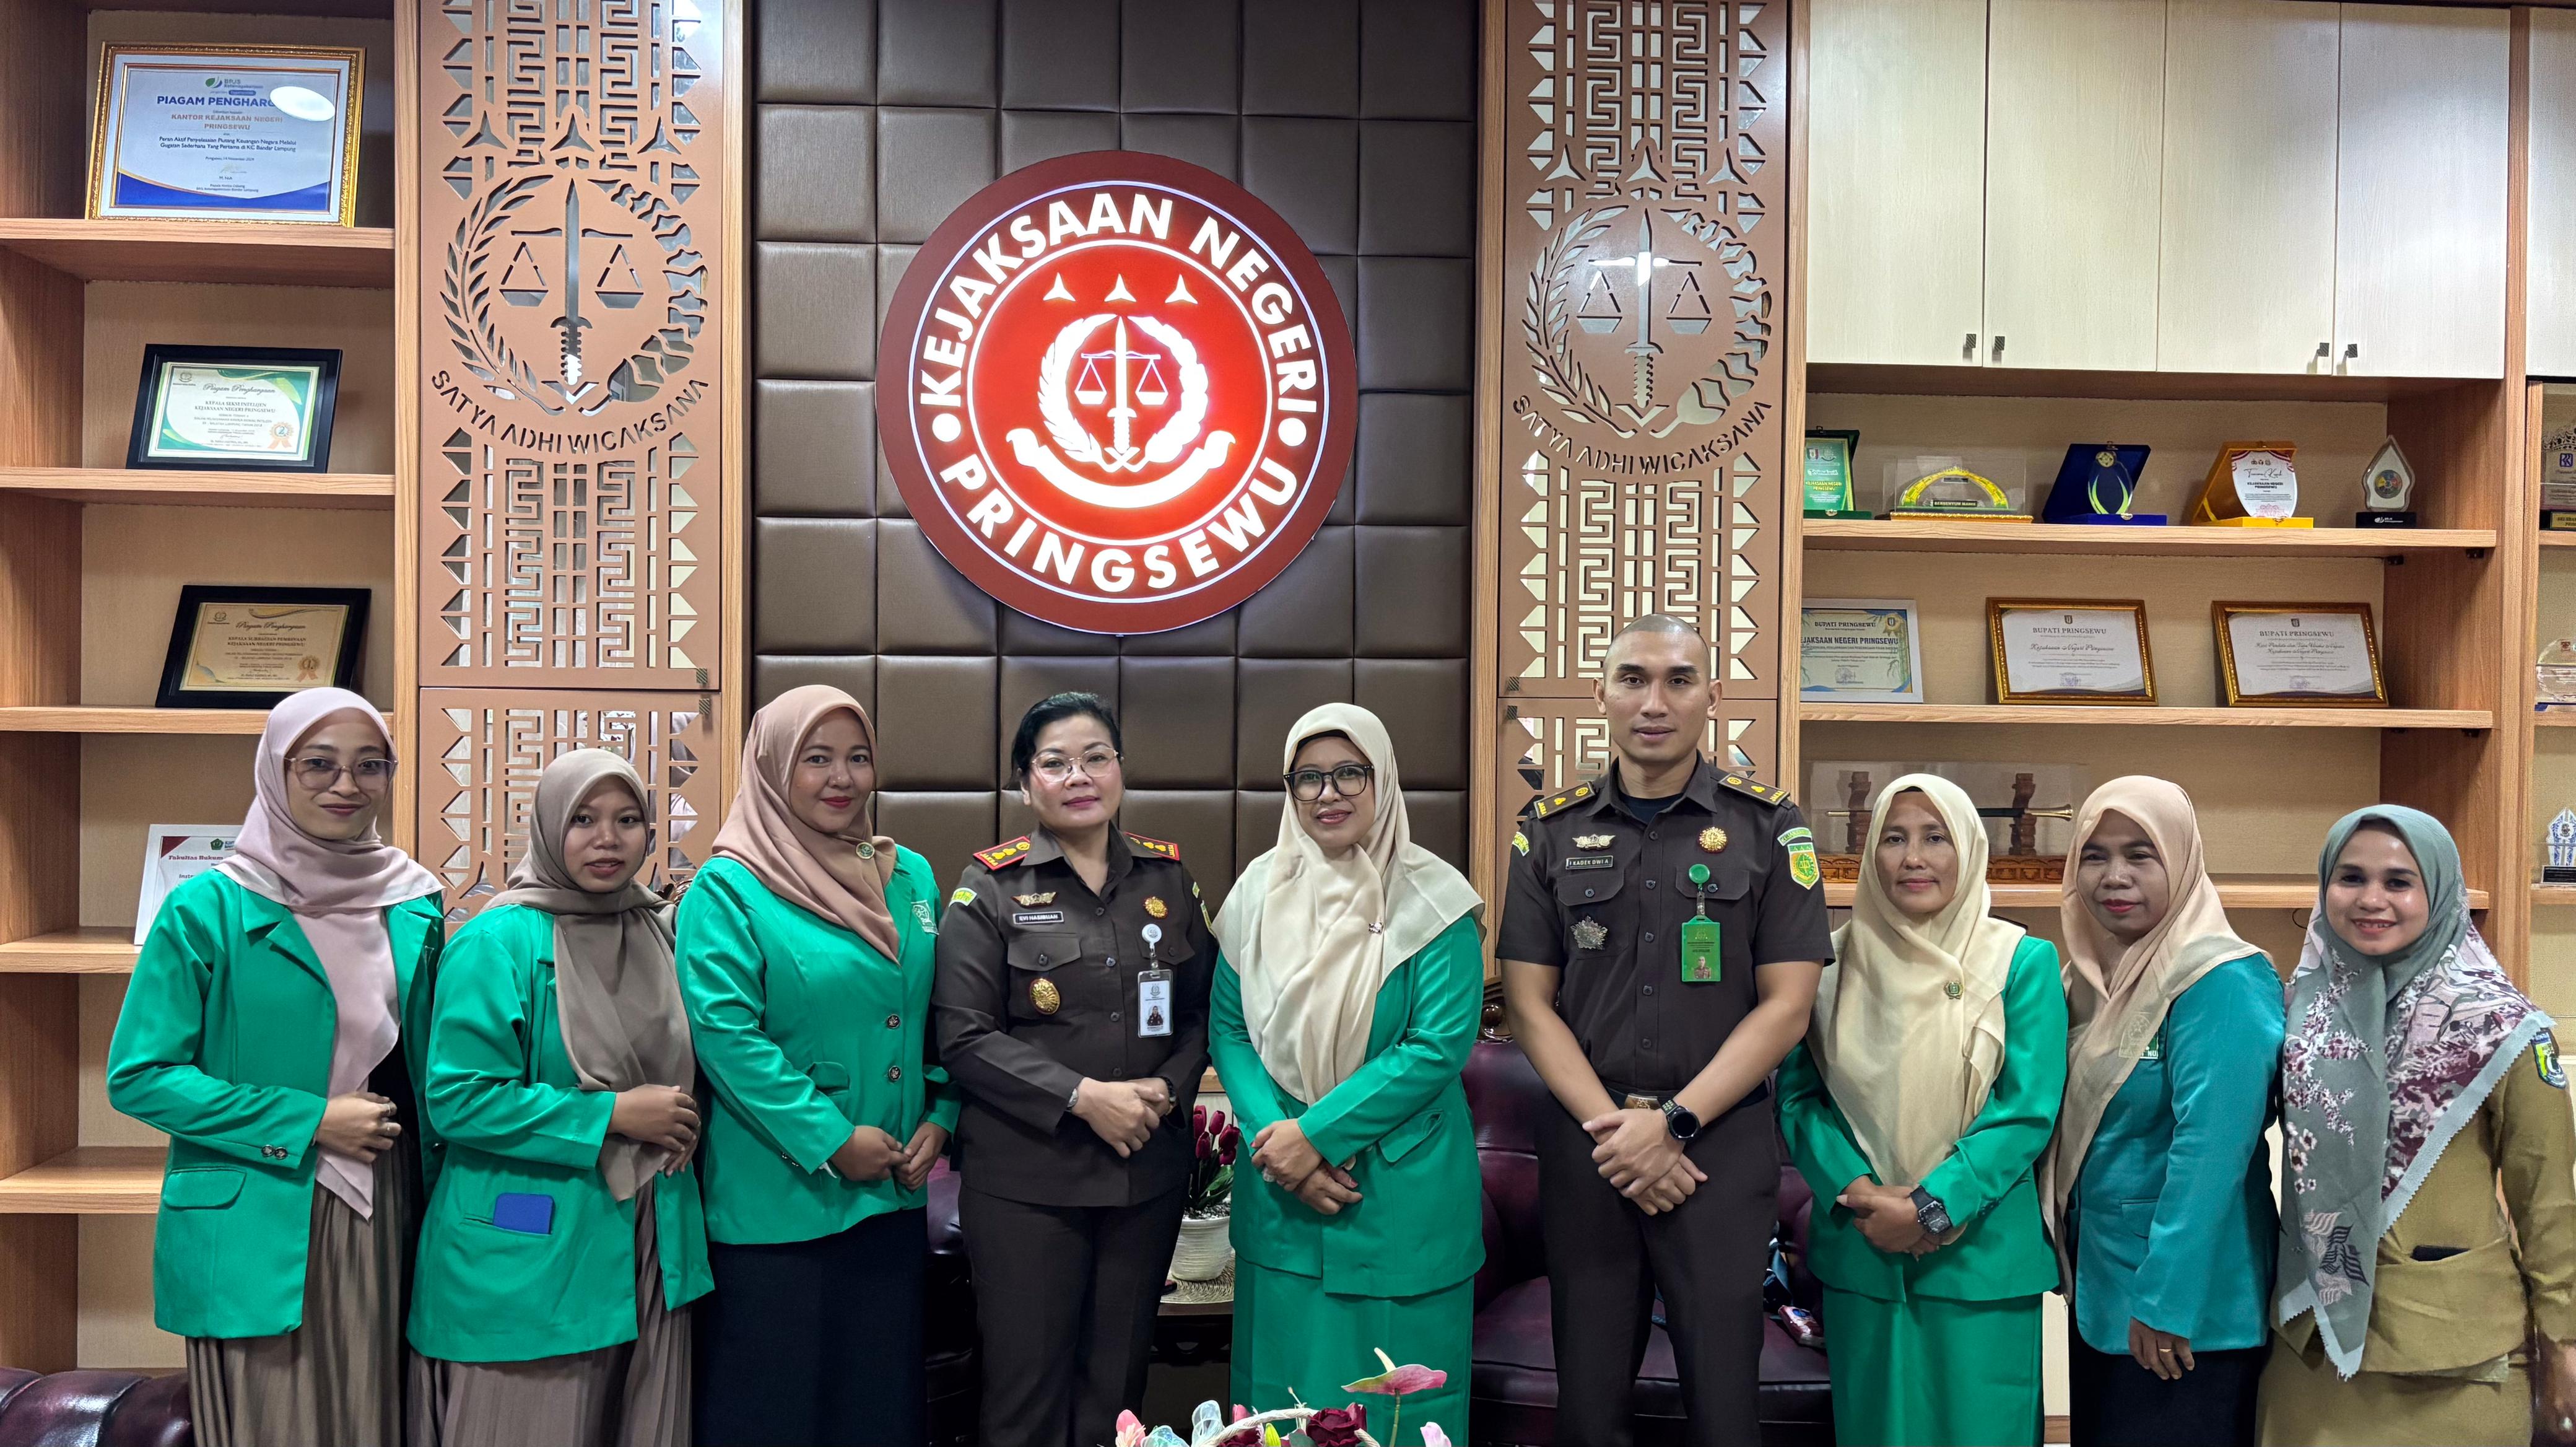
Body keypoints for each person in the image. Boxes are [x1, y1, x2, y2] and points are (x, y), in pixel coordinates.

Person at [1497, 614, 1832, 1446]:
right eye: (1633, 679)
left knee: (1724, 1410)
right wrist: (1621, 1133)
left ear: (1711, 695)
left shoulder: (1770, 826)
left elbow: (1787, 1005)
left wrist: (1673, 1124)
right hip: (1591, 1145)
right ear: (1600, 694)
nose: (1655, 701)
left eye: (1678, 680)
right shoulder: (1549, 828)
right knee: (1588, 1410)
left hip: (1716, 1146)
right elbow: (1529, 1003)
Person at [107, 687, 446, 1446]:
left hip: (389, 1197)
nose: (346, 784)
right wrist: (309, 1119)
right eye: (318, 764)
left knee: (382, 1413)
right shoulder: (208, 908)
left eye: (370, 765)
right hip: (260, 1206)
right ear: (275, 769)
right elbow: (140, 1075)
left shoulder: (415, 903)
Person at [933, 692, 1218, 1447]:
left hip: (1143, 1176)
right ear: (1025, 783)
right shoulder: (988, 888)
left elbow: (1202, 1010)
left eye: (1096, 757)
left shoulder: (1167, 879)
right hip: (1028, 1184)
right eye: (1055, 762)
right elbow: (962, 1036)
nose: (1079, 775)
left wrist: (1167, 1087)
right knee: (1025, 1395)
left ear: (1119, 768)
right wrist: (1083, 1096)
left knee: (1117, 1395)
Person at [677, 686, 955, 1446]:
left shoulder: (910, 876)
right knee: (774, 1415)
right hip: (778, 1207)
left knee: (878, 1414)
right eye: (816, 758)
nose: (842, 777)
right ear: (772, 768)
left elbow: (940, 1011)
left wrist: (942, 1113)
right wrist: (831, 1138)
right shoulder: (728, 887)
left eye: (858, 757)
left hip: (891, 1198)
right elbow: (726, 1036)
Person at [408, 748, 709, 1445]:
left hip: (651, 1237)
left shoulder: (659, 930)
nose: (608, 839)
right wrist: (611, 1114)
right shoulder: (498, 939)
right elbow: (457, 1098)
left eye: (628, 820)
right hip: (529, 1238)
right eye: (583, 819)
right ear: (547, 826)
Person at [1208, 704, 1487, 1440]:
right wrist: (1280, 1142)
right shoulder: (1255, 893)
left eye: (1348, 772)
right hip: (1282, 1196)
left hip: (1398, 1198)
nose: (1327, 792)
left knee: (1398, 1411)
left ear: (1382, 777)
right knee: (1279, 1403)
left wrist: (1314, 1138)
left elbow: (1435, 1045)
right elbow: (1228, 1030)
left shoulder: (1436, 900)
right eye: (1307, 777)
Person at [2259, 807, 2576, 1446]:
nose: (2371, 899)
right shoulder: (2296, 1012)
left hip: (2454, 1358)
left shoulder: (2504, 1029)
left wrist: (2564, 1341)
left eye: (2399, 881)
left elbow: (2545, 1202)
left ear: (2438, 889)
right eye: (2350, 877)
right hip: (2310, 1350)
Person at [1778, 774, 2068, 1446]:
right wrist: (1858, 1192)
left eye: (1936, 838)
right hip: (1865, 1250)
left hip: (1978, 1257)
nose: (1914, 857)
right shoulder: (1825, 966)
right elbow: (1798, 1097)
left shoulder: (2020, 961)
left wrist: (1932, 1206)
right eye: (1894, 838)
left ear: (1968, 849)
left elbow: (2025, 1108)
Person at [2046, 776, 2281, 1447]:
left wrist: (2166, 1301)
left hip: (2185, 1314)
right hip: (2103, 1293)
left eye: (2139, 854)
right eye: (2094, 855)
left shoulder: (2220, 979)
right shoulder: (2088, 980)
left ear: (2180, 860)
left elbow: (2212, 1153)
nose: (2114, 876)